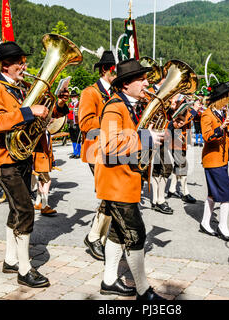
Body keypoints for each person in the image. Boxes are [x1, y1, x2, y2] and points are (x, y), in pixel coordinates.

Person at [0, 41, 69, 288]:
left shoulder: (23, 87)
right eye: (20, 62)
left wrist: (59, 104)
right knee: (26, 210)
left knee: (15, 209)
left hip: (23, 156)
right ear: (5, 65)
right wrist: (29, 111)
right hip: (3, 158)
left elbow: (49, 118)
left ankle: (10, 260)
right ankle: (24, 269)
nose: (25, 66)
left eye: (24, 61)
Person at [96, 58, 166, 300]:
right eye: (142, 78)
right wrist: (144, 138)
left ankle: (108, 281)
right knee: (137, 233)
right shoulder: (115, 107)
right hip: (116, 183)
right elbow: (108, 145)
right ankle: (143, 290)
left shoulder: (130, 106)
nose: (147, 82)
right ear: (126, 84)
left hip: (126, 180)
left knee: (117, 232)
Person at [78, 51, 116, 261]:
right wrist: (111, 120)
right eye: (115, 70)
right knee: (109, 195)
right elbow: (85, 123)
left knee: (111, 196)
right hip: (96, 151)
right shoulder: (90, 93)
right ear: (105, 70)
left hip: (114, 149)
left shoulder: (115, 93)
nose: (118, 74)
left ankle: (98, 237)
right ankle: (94, 237)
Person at [199, 83, 229, 241]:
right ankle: (223, 227)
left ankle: (204, 223)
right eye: (226, 97)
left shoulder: (222, 112)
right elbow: (207, 136)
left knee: (213, 193)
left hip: (223, 158)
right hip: (212, 159)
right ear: (219, 99)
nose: (228, 100)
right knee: (226, 194)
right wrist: (221, 127)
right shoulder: (207, 115)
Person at [166, 96, 198, 204]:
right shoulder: (175, 102)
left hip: (183, 139)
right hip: (176, 138)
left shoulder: (184, 101)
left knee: (179, 164)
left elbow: (194, 118)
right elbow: (181, 121)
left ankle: (172, 189)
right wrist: (194, 110)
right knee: (183, 165)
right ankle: (185, 193)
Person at [149, 74, 173, 215]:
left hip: (163, 133)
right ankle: (158, 199)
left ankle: (158, 199)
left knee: (164, 167)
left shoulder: (165, 96)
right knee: (156, 168)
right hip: (151, 134)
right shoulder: (151, 93)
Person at [32, 128, 60, 216]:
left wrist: (53, 162)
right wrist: (32, 165)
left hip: (45, 162)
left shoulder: (48, 132)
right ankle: (44, 207)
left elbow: (50, 148)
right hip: (38, 162)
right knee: (47, 182)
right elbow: (32, 149)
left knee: (41, 183)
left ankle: (37, 204)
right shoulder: (37, 132)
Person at [68, 89, 81, 159]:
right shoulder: (69, 104)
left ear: (77, 97)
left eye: (74, 96)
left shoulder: (80, 104)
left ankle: (79, 153)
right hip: (70, 123)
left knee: (78, 139)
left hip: (77, 123)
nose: (73, 98)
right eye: (72, 97)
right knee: (73, 139)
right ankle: (75, 152)